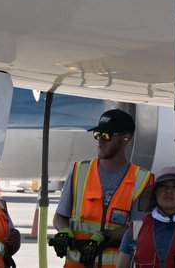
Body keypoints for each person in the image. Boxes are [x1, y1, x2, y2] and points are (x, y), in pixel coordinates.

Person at [52, 109, 153, 268]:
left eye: (106, 136)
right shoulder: (80, 171)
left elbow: (139, 229)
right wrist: (63, 230)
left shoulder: (142, 180)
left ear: (126, 138)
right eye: (97, 135)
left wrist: (105, 236)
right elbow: (59, 217)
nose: (100, 141)